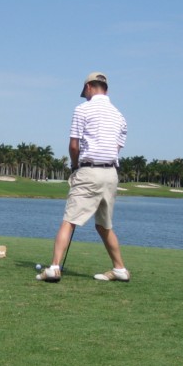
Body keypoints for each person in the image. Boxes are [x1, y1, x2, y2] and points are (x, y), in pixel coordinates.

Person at [37, 72, 130, 283]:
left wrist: (75, 166)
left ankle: (54, 268)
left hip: (89, 170)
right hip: (111, 174)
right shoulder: (120, 116)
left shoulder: (82, 109)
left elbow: (73, 145)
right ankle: (120, 269)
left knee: (69, 220)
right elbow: (115, 149)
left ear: (89, 87)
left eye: (85, 92)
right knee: (104, 225)